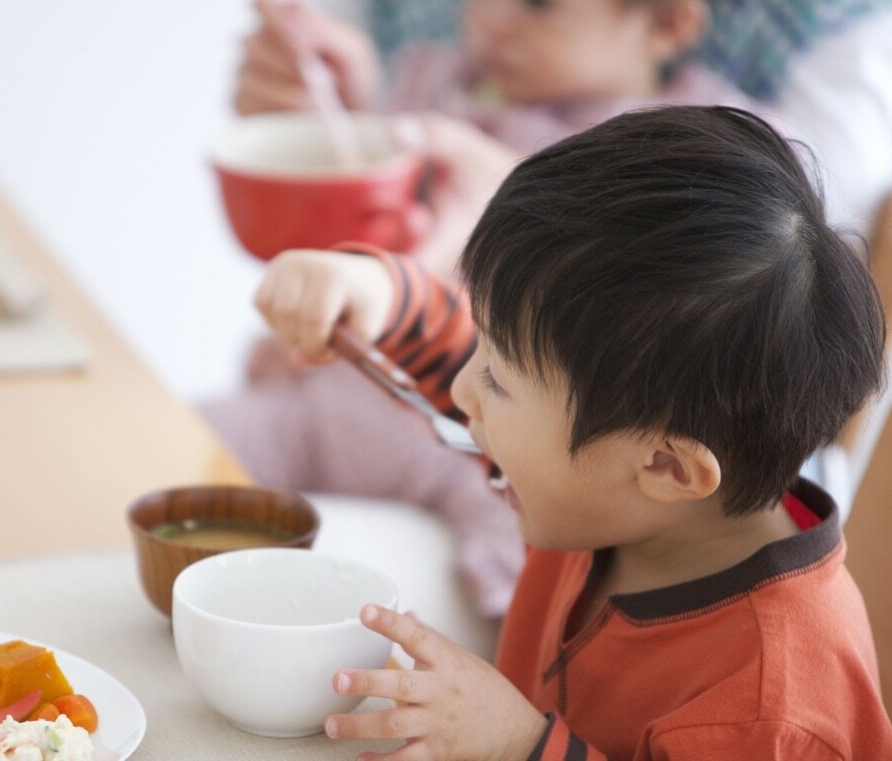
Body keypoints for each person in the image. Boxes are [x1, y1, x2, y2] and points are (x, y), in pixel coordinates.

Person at [252, 105, 892, 758]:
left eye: (497, 379)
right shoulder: (613, 488)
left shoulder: (775, 716)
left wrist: (521, 745)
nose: (467, 390)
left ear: (670, 468)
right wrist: (382, 297)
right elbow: (515, 388)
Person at [204, 0, 764, 622]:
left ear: (666, 26)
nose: (491, 18)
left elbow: (715, 300)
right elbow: (380, 223)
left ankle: (527, 657)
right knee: (175, 458)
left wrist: (509, 192)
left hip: (487, 451)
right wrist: (347, 111)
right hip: (326, 402)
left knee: (523, 555)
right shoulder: (436, 83)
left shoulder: (697, 150)